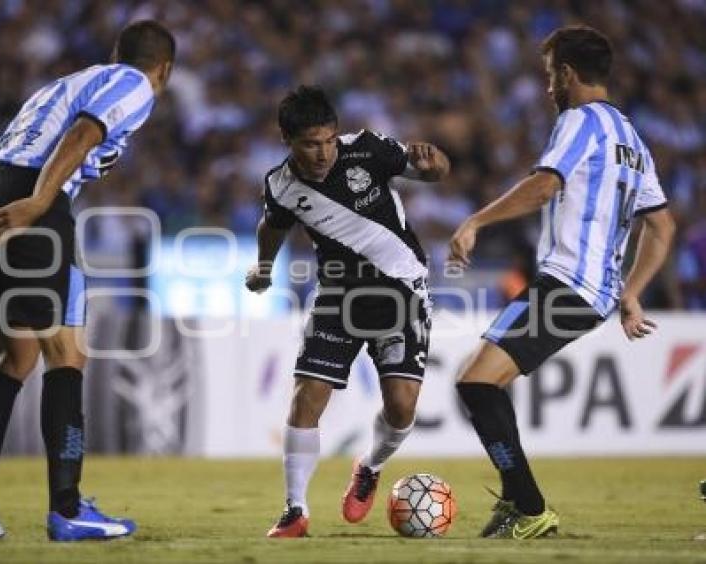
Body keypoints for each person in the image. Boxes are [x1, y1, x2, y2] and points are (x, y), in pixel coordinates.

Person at [448, 25, 676, 539]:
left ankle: (528, 509)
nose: (549, 88)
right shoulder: (631, 138)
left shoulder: (580, 121)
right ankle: (516, 501)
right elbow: (662, 225)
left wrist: (475, 222)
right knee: (488, 383)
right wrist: (630, 292)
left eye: (551, 76)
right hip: (588, 291)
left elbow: (545, 187)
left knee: (476, 383)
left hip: (566, 284)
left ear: (568, 75)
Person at [0, 20, 175, 541]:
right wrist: (38, 202)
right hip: (30, 202)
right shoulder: (134, 83)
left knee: (18, 356)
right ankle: (68, 508)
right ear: (164, 69)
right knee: (65, 355)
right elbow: (83, 135)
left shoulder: (66, 83)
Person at [245, 85, 450, 538]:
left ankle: (371, 466)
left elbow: (432, 171)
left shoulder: (370, 150)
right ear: (288, 142)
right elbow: (271, 226)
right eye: (309, 144)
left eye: (328, 140)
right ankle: (295, 510)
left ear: (337, 133)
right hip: (338, 295)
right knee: (307, 396)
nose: (321, 153)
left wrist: (436, 167)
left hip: (401, 291)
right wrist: (262, 267)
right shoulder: (281, 185)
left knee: (400, 407)